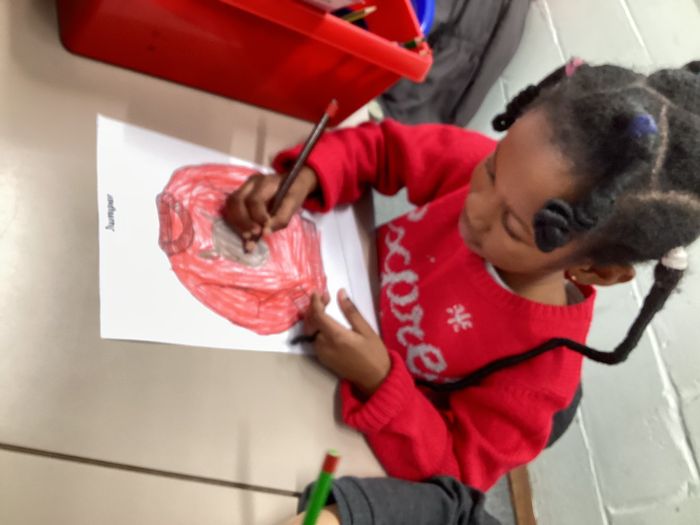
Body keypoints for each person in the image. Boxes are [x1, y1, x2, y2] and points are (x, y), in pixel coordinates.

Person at [225, 59, 700, 516]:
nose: (476, 208)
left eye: (511, 227)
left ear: (596, 271)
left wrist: (378, 379)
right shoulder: (510, 181)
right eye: (490, 170)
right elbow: (385, 148)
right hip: (284, 347)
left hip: (341, 422)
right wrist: (311, 174)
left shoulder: (539, 376)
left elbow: (452, 478)